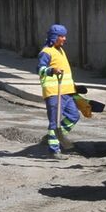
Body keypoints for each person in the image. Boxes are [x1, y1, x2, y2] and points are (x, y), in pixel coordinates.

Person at [37, 24, 80, 157]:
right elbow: (39, 69)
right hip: (54, 92)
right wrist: (51, 70)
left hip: (66, 92)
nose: (64, 39)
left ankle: (52, 137)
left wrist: (75, 87)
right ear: (54, 37)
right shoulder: (46, 52)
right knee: (54, 122)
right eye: (62, 36)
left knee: (74, 116)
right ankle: (54, 150)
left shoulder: (60, 50)